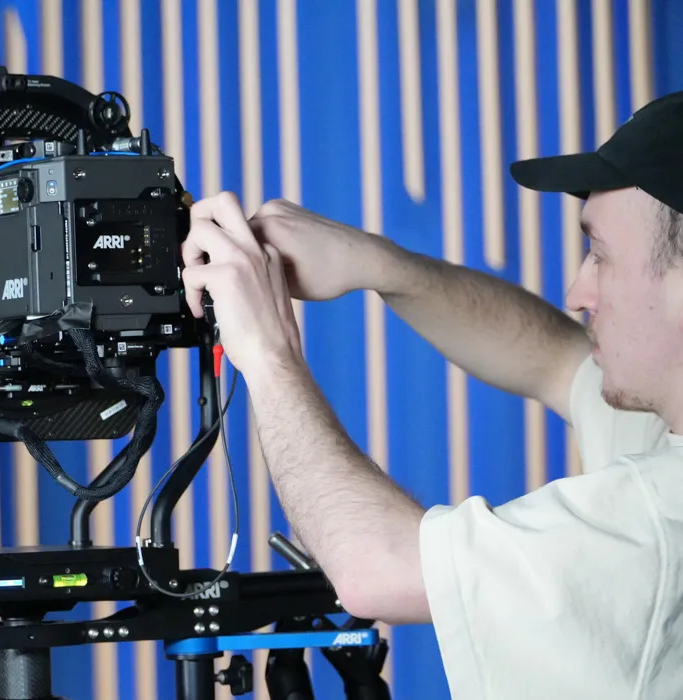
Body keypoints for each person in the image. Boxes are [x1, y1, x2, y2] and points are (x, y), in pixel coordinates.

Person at [181, 90, 683, 698]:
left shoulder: (659, 522)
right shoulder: (662, 422)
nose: (577, 291)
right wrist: (379, 265)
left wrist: (266, 350)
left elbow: (377, 570)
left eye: (600, 255)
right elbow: (550, 355)